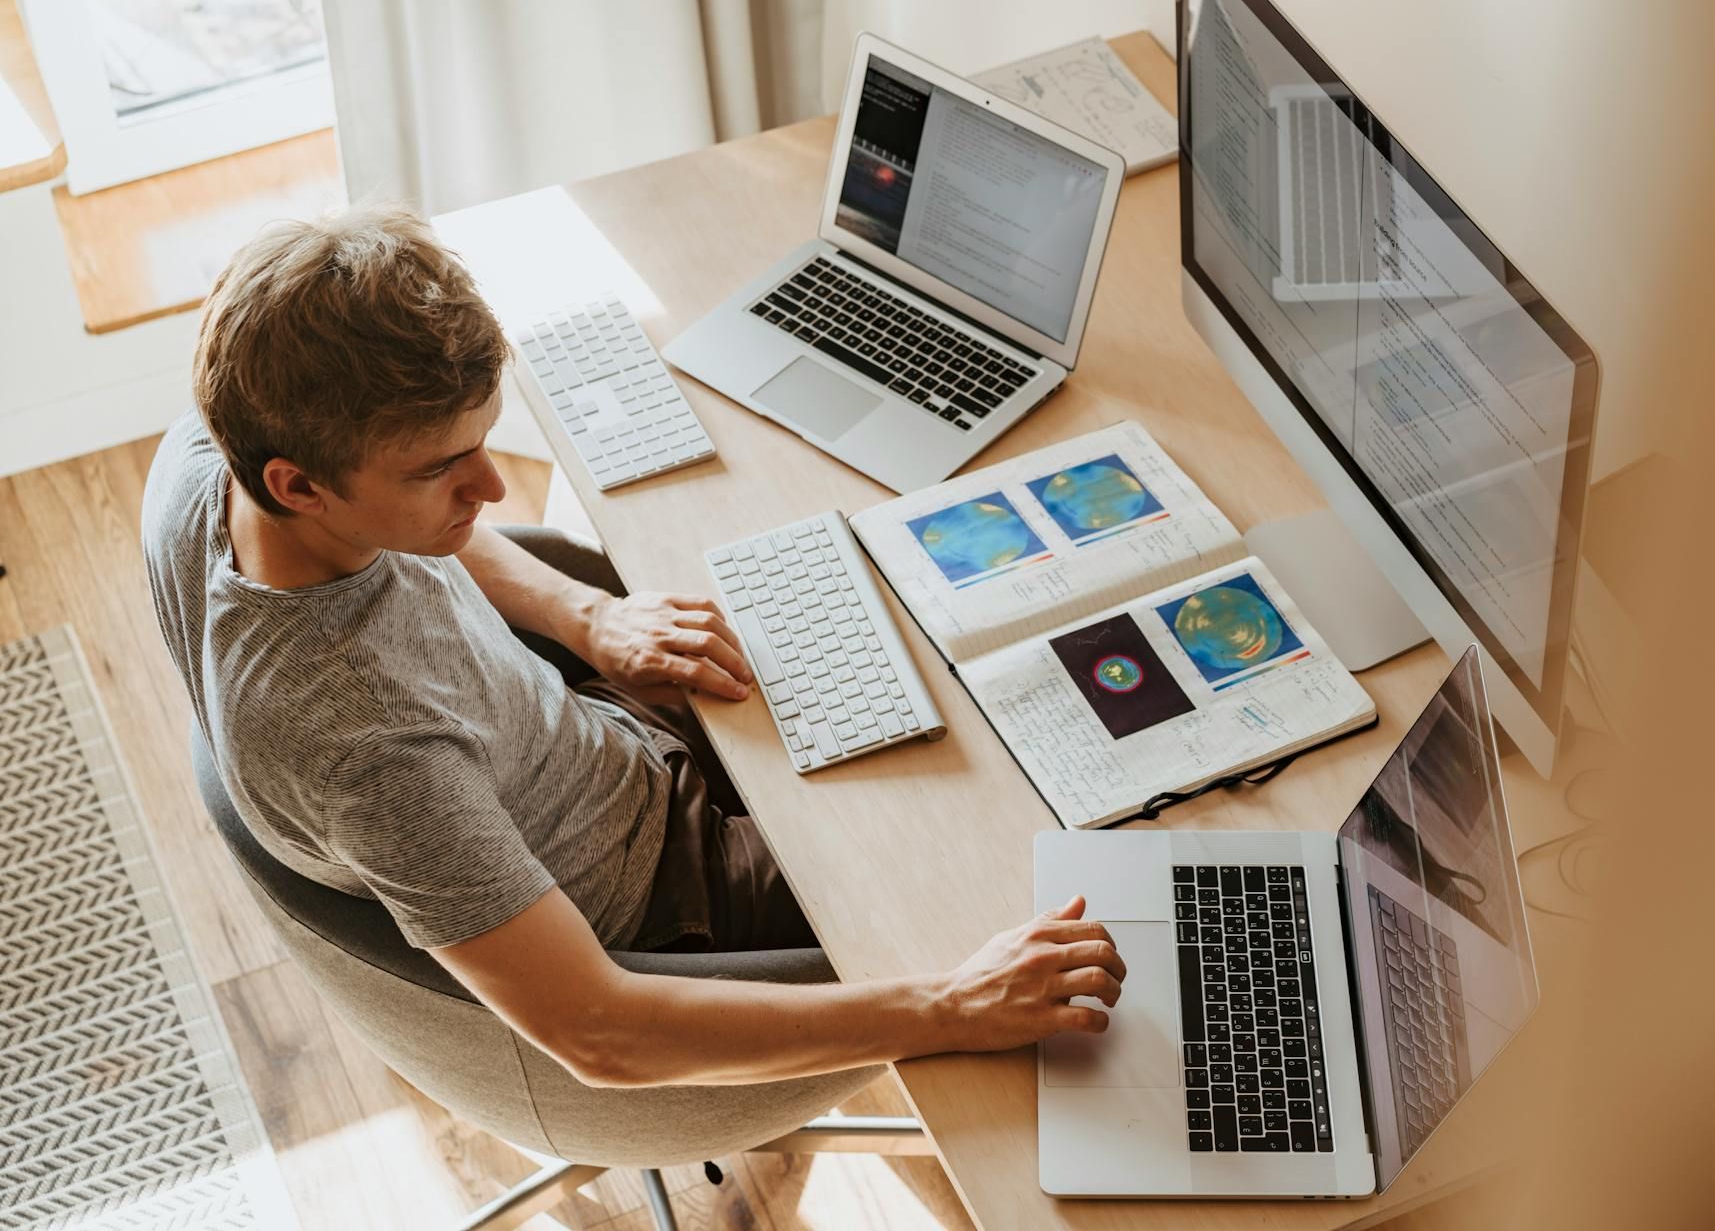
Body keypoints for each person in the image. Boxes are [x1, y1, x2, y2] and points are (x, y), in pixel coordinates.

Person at [142, 203, 1123, 1088]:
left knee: (932, 657)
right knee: (1031, 872)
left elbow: (432, 527)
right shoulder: (368, 752)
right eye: (443, 468)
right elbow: (602, 1032)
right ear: (299, 484)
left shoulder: (219, 450)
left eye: (484, 441)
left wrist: (587, 618)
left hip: (592, 741)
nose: (489, 489)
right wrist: (947, 1007)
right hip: (666, 897)